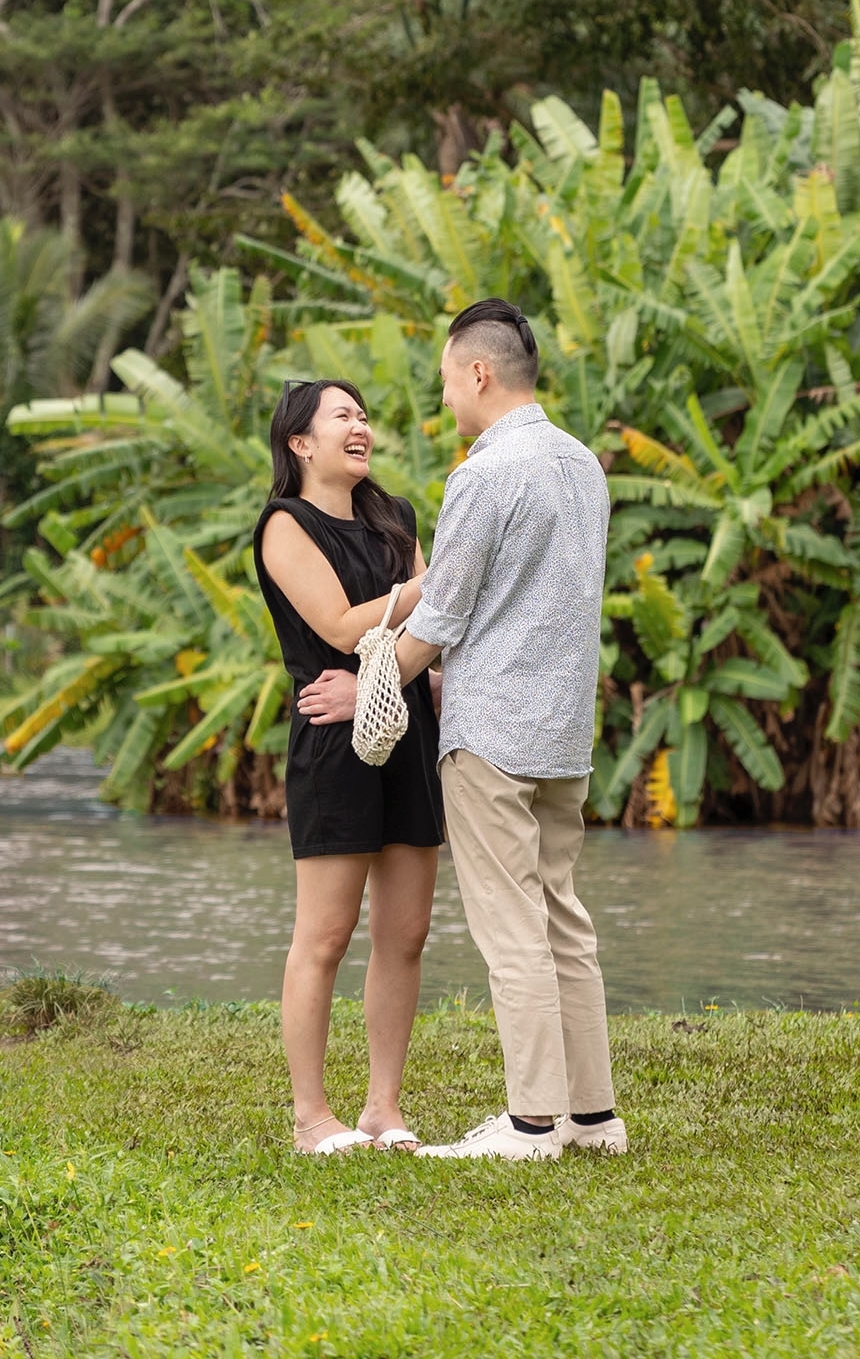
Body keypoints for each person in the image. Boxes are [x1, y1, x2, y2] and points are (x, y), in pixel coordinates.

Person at [296, 299, 625, 1161]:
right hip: (563, 732)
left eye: (446, 381)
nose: (445, 400)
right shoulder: (583, 465)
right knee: (564, 922)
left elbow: (440, 614)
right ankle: (593, 1118)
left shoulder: (484, 474)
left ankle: (529, 1126)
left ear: (478, 373)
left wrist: (367, 688)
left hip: (491, 736)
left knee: (514, 929)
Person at [253, 378, 444, 1156]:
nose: (360, 426)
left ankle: (382, 1108)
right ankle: (310, 1117)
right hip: (332, 734)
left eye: (364, 415)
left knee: (407, 931)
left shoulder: (392, 518)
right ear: (301, 442)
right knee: (325, 934)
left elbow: (436, 628)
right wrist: (434, 583)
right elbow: (335, 621)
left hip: (412, 729)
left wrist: (392, 669)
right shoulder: (284, 526)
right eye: (343, 417)